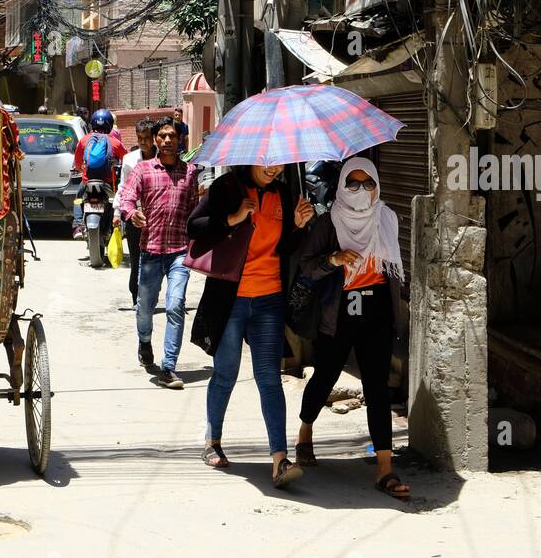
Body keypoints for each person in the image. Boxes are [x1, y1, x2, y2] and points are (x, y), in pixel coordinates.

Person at [188, 162, 315, 487]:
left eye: (280, 160)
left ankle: (279, 461)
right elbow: (194, 226)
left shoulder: (283, 194)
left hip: (269, 299)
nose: (275, 167)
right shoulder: (228, 188)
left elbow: (284, 249)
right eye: (267, 160)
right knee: (226, 372)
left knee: (269, 378)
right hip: (230, 300)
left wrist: (298, 227)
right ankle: (212, 441)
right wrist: (232, 218)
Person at [294, 157, 409, 500]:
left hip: (376, 312)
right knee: (325, 376)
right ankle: (304, 432)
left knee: (377, 387)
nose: (361, 191)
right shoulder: (328, 223)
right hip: (337, 312)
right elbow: (307, 267)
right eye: (353, 184)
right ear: (342, 186)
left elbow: (393, 269)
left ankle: (385, 468)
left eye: (368, 183)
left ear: (377, 186)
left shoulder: (387, 219)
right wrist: (334, 258)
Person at [120, 118, 199, 388]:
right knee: (145, 308)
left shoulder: (190, 172)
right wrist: (132, 214)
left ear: (180, 140)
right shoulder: (142, 170)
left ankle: (168, 367)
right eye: (162, 136)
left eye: (172, 136)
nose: (167, 140)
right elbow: (127, 198)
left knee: (176, 305)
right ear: (155, 140)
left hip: (179, 252)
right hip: (151, 251)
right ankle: (144, 342)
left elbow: (193, 209)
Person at [113, 118, 156, 306]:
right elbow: (123, 186)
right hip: (134, 216)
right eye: (140, 138)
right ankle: (136, 297)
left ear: (154, 138)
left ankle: (149, 295)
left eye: (147, 138)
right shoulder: (130, 160)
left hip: (156, 217)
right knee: (137, 258)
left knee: (154, 260)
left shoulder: (162, 157)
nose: (143, 142)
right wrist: (117, 211)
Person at [72, 110, 126, 241]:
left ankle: (78, 226)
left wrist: (80, 169)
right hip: (108, 183)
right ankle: (120, 226)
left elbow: (78, 162)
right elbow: (127, 159)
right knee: (116, 203)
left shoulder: (84, 140)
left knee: (78, 198)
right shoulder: (114, 142)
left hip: (87, 181)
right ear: (109, 124)